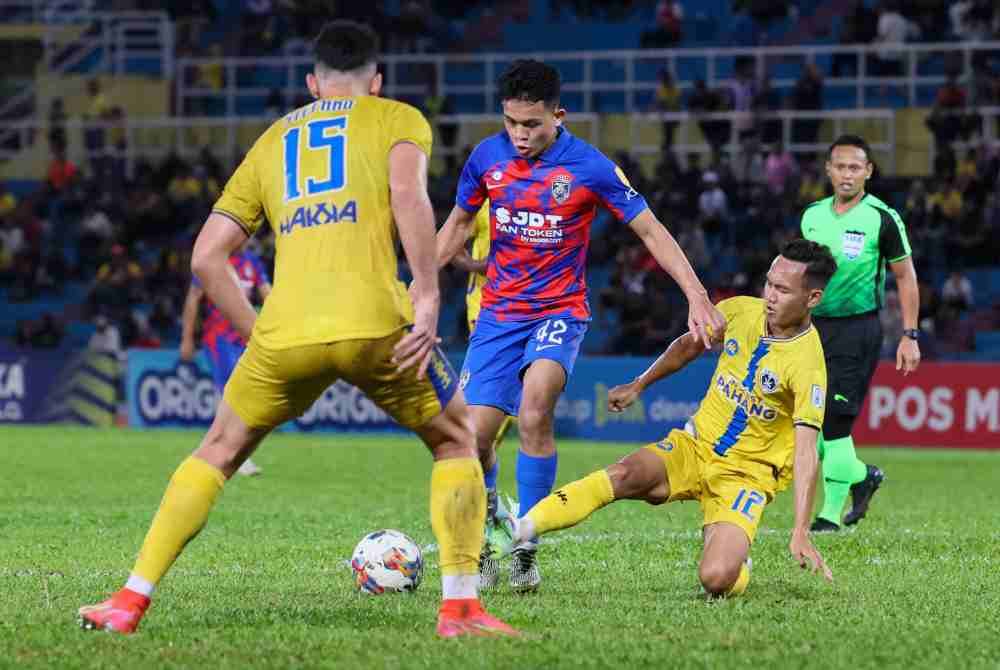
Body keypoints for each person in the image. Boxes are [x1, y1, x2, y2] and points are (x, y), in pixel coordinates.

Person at [78, 20, 517, 639]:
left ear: (313, 84)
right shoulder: (397, 117)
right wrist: (426, 293)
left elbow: (206, 258)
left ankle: (129, 600)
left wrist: (256, 330)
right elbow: (407, 197)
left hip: (286, 331)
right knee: (455, 442)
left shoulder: (269, 141)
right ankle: (461, 611)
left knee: (217, 451)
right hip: (376, 322)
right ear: (377, 79)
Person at [434, 59, 725, 593]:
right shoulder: (485, 158)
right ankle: (494, 517)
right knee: (473, 439)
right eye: (511, 123)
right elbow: (456, 224)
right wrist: (420, 285)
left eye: (532, 125)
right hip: (499, 314)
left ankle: (526, 544)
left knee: (536, 406)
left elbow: (651, 230)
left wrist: (697, 295)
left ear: (558, 116)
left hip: (559, 311)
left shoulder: (589, 167)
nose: (520, 136)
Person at [500, 240, 837, 597]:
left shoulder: (808, 365)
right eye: (769, 283)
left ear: (812, 298)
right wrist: (640, 384)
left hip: (746, 475)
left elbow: (805, 452)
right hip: (693, 446)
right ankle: (518, 529)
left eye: (782, 289)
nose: (770, 295)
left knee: (717, 579)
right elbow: (687, 346)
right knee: (623, 474)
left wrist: (800, 528)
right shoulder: (740, 311)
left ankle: (738, 563)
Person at [800, 135, 921, 532]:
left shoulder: (882, 217)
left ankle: (829, 515)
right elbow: (801, 275)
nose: (847, 174)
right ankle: (861, 476)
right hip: (814, 328)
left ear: (868, 172)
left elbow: (904, 277)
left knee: (835, 419)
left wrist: (910, 334)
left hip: (858, 329)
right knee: (812, 420)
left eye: (855, 167)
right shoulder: (812, 215)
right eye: (840, 166)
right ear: (828, 170)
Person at [180, 241, 272, 476]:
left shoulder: (252, 262)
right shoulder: (214, 260)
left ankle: (227, 450)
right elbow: (193, 300)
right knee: (232, 390)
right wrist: (187, 339)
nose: (246, 239)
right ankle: (232, 453)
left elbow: (267, 296)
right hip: (219, 337)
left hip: (246, 337)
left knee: (245, 391)